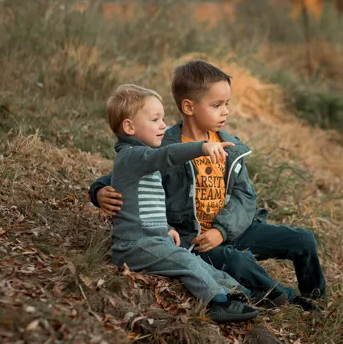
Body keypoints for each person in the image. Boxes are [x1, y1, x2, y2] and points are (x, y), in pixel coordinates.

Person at [89, 61, 326, 310]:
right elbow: (124, 172)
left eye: (226, 104)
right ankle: (288, 300)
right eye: (216, 105)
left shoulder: (229, 147)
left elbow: (245, 195)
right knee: (239, 263)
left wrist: (223, 231)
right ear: (189, 107)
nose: (225, 112)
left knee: (303, 240)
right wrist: (98, 191)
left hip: (232, 229)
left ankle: (316, 297)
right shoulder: (163, 145)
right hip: (196, 239)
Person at [103, 83, 258, 323]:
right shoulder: (132, 156)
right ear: (129, 127)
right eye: (155, 119)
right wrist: (201, 148)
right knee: (185, 261)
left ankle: (237, 293)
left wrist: (166, 228)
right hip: (133, 246)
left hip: (153, 239)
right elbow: (167, 154)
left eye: (163, 118)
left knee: (196, 262)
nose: (164, 125)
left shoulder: (144, 160)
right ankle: (217, 303)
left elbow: (144, 206)